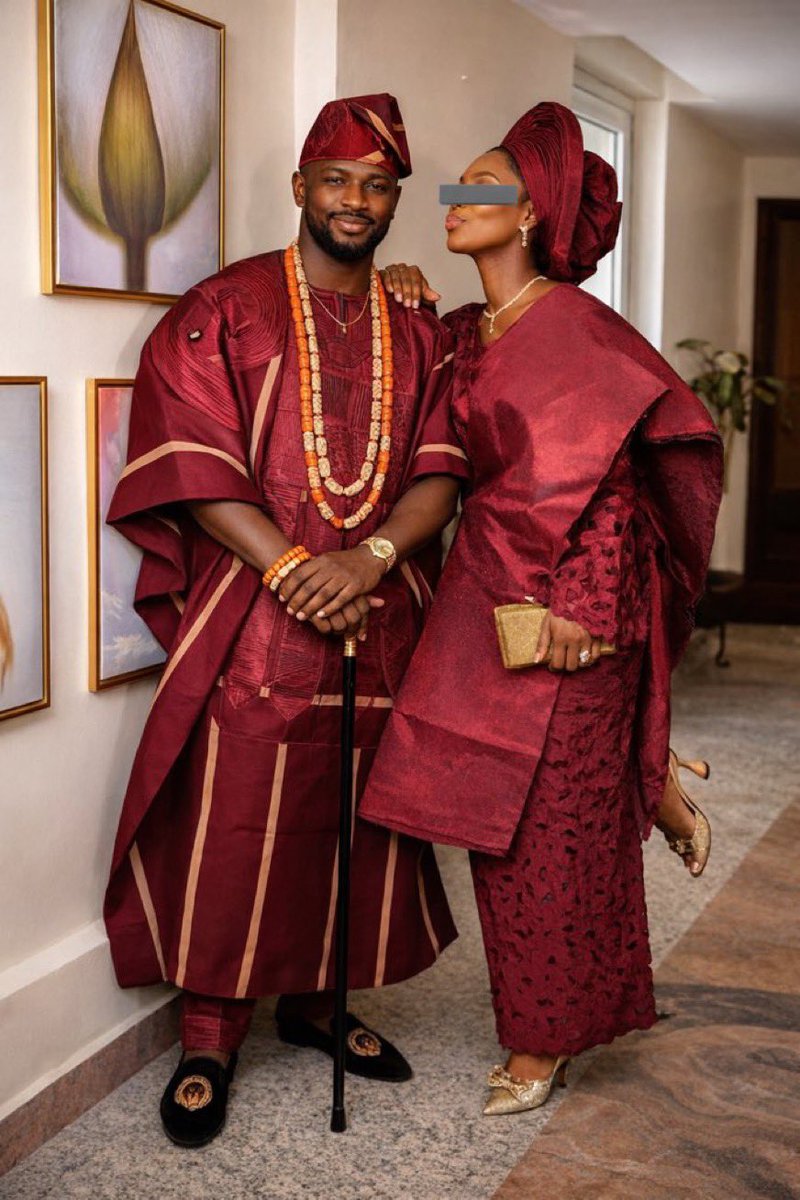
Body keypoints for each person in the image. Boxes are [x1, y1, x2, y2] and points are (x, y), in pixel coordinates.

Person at [103, 93, 470, 1147]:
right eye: (337, 180)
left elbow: (444, 469)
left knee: (356, 818)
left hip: (379, 614)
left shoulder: (420, 329)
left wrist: (370, 558)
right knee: (234, 825)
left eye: (378, 185)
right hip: (255, 615)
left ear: (395, 200)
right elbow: (191, 462)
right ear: (301, 186)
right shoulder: (223, 308)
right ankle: (210, 1038)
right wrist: (298, 568)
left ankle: (317, 1006)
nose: (356, 200)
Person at [361, 101, 723, 1115]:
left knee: (553, 833)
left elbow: (615, 486)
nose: (453, 200)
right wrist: (395, 293)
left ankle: (543, 1039)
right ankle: (650, 777)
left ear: (529, 214)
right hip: (487, 593)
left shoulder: (576, 329)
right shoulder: (466, 330)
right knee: (496, 821)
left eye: (479, 186)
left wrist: (580, 609)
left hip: (572, 608)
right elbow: (417, 395)